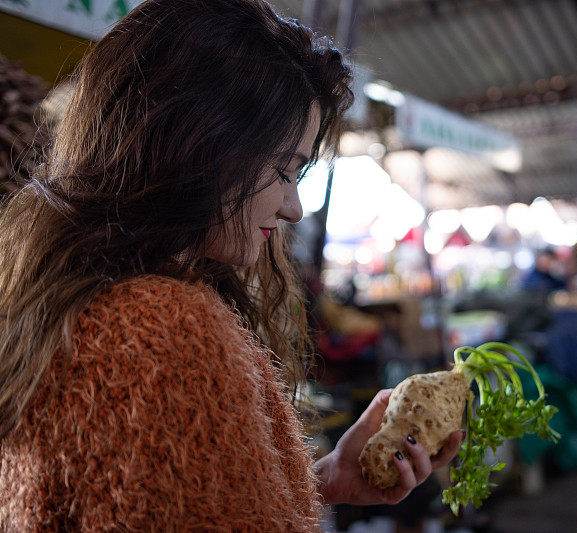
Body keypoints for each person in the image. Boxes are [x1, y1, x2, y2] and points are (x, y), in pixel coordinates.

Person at [0, 1, 463, 530]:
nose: (294, 207)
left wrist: (326, 481)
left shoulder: (79, 302)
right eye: (286, 171)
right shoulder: (161, 328)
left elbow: (177, 505)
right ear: (206, 147)